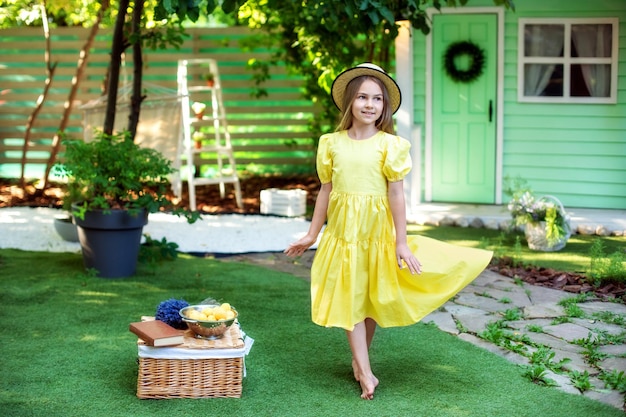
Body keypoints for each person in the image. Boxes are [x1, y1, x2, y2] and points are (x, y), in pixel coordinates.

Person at [284, 63, 492, 400]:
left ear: (385, 106)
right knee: (349, 298)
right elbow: (325, 190)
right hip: (345, 235)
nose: (370, 104)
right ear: (350, 101)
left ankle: (358, 360)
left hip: (376, 234)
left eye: (377, 99)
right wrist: (312, 234)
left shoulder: (391, 145)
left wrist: (401, 242)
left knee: (367, 301)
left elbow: (396, 194)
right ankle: (366, 372)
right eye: (363, 97)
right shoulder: (331, 143)